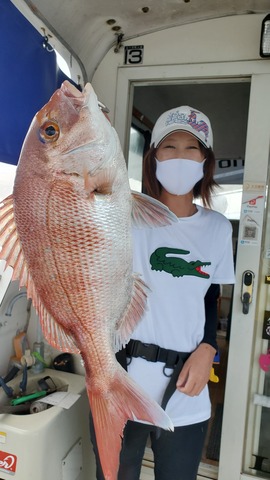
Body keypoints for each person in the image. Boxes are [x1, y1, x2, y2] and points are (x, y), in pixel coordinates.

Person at [90, 105, 235, 480]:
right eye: (170, 147)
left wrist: (208, 348)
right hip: (121, 381)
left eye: (193, 148)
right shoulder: (124, 213)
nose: (181, 157)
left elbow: (207, 295)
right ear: (152, 157)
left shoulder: (218, 229)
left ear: (206, 161)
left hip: (186, 390)